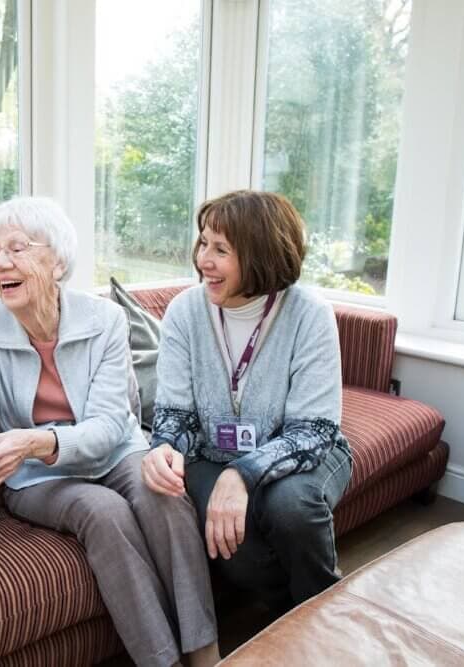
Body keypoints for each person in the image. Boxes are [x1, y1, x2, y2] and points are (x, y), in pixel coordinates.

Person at [0, 196, 220, 667]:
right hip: (36, 476)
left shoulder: (104, 320)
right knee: (103, 511)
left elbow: (107, 426)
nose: (0, 262)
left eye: (17, 248)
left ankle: (207, 656)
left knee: (165, 496)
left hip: (114, 450)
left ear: (57, 261)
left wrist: (37, 440)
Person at [142, 189, 352, 612]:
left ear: (260, 253)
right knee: (235, 551)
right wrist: (162, 449)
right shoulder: (184, 311)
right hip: (209, 454)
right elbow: (175, 416)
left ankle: (326, 623)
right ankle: (284, 622)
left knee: (290, 508)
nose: (204, 259)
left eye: (221, 249)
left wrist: (241, 474)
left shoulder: (309, 314)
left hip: (305, 452)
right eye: (203, 243)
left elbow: (313, 430)